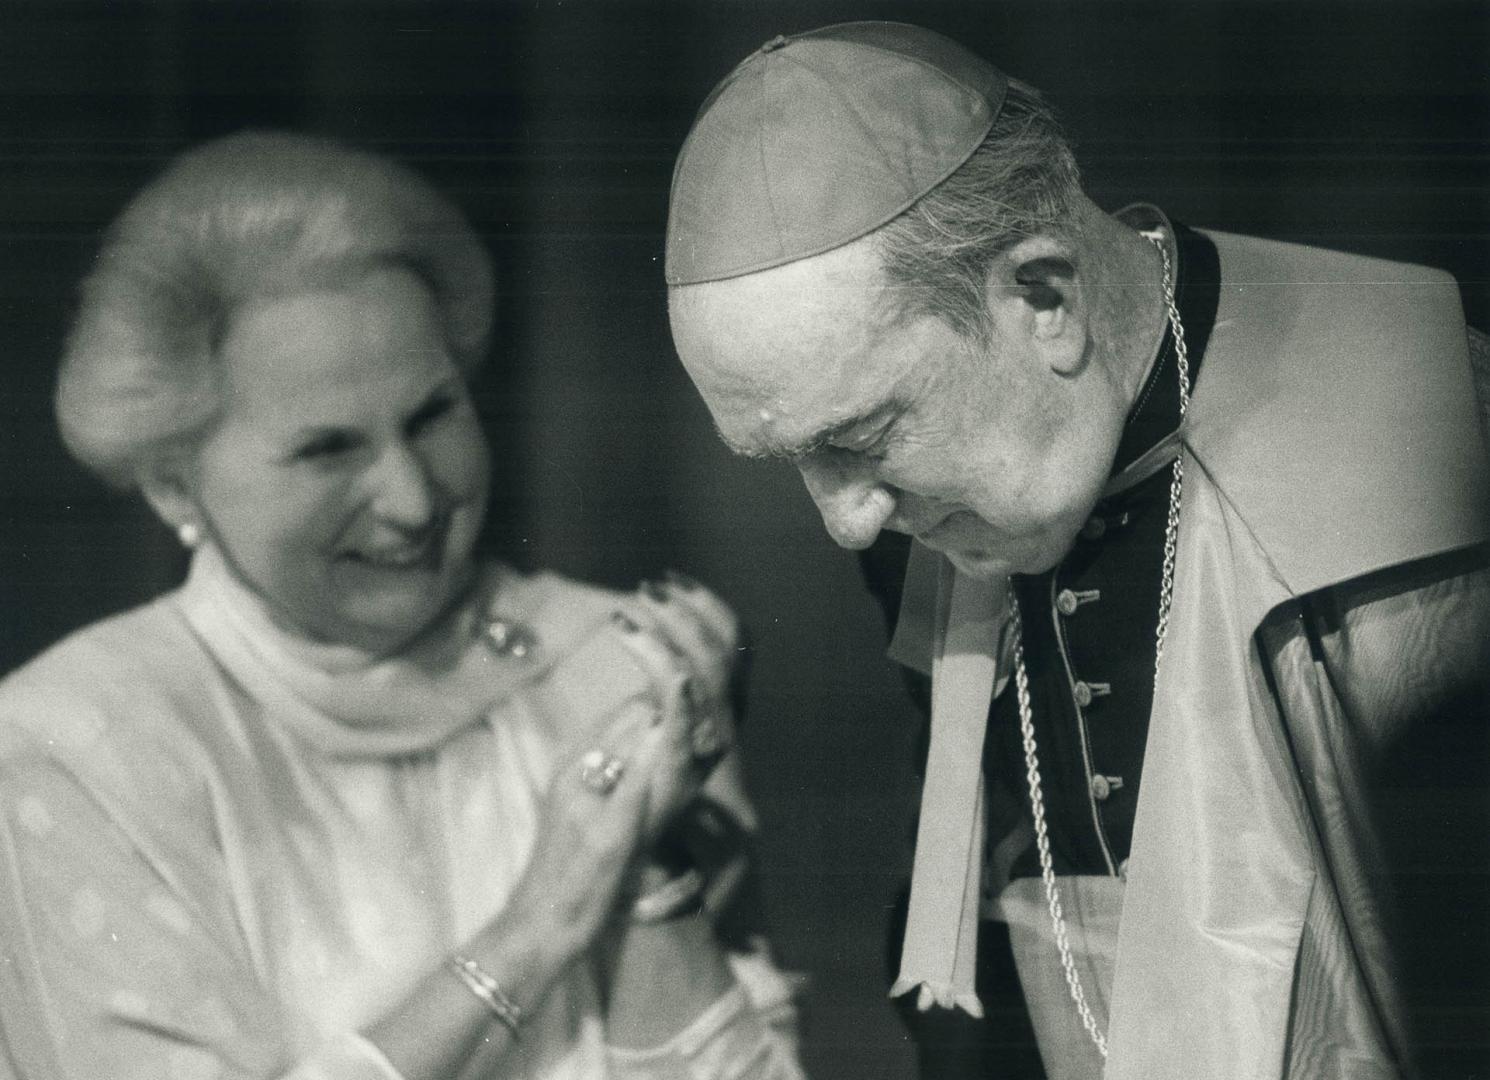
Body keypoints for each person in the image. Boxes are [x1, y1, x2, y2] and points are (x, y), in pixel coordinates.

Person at [664, 21, 1490, 1080]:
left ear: (1042, 298)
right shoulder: (934, 510)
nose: (844, 522)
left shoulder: (1440, 450)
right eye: (788, 460)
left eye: (860, 438)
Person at [0, 131, 806, 1080]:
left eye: (433, 415)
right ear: (176, 488)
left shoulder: (612, 663)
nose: (414, 500)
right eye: (328, 449)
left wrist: (646, 870)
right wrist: (538, 924)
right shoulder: (74, 748)